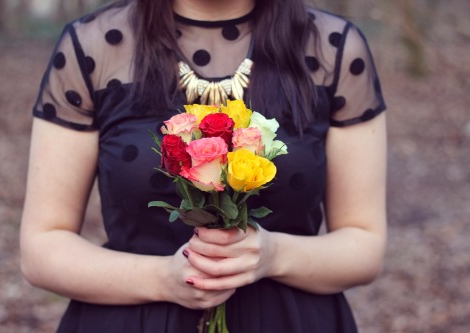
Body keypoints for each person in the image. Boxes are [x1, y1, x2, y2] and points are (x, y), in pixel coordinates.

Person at [20, 0, 387, 332]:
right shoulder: (94, 46)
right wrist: (163, 278)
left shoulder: (333, 47)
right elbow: (42, 247)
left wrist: (274, 256)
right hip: (130, 319)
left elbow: (364, 245)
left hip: (291, 320)